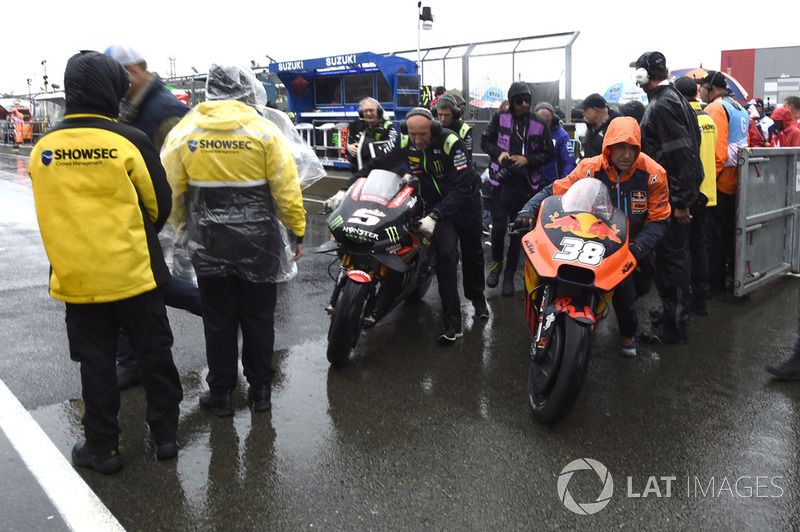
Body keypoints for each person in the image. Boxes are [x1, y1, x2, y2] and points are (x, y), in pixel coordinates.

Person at [28, 51, 183, 473]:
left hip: (78, 278)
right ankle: (165, 435)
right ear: (112, 89)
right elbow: (159, 205)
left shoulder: (43, 149)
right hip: (135, 273)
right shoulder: (128, 140)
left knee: (96, 363)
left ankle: (103, 448)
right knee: (155, 354)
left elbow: (49, 211)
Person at [161, 64, 306, 416]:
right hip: (261, 240)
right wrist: (296, 231)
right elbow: (286, 190)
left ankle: (222, 394)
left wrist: (180, 231)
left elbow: (172, 191)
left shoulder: (186, 132)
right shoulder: (264, 131)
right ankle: (260, 393)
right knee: (259, 317)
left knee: (218, 318)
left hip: (208, 241)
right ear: (247, 91)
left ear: (210, 90)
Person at [513, 117, 671, 356]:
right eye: (620, 146)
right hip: (587, 236)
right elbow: (555, 190)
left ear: (639, 148)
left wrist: (639, 248)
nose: (626, 154)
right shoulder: (589, 167)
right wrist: (529, 208)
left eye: (632, 148)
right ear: (608, 146)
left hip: (631, 246)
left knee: (628, 293)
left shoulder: (654, 174)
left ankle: (627, 334)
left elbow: (660, 218)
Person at [104, 44, 202, 390]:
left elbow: (183, 168)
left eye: (114, 76)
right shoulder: (135, 105)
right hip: (141, 216)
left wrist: (175, 225)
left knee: (140, 286)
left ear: (132, 71)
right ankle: (218, 310)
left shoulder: (164, 110)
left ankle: (218, 310)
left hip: (156, 218)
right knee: (141, 287)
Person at [348, 107, 488, 344]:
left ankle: (478, 300)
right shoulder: (405, 141)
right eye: (413, 134)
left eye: (422, 135)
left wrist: (435, 216)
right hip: (435, 202)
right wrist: (347, 187)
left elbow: (461, 188)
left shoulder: (450, 143)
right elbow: (380, 164)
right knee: (446, 255)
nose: (417, 140)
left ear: (432, 129)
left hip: (465, 203)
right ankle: (453, 324)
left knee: (473, 253)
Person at [631, 51, 704, 345]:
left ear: (645, 74)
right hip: (673, 196)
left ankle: (674, 328)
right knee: (672, 260)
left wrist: (682, 202)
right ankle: (673, 314)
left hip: (672, 199)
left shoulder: (663, 104)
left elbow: (682, 154)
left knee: (672, 263)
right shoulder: (672, 98)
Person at [480, 81, 554, 296]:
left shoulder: (540, 123)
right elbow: (485, 141)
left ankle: (510, 275)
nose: (524, 104)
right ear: (511, 102)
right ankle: (495, 267)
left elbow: (549, 154)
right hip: (501, 182)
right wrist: (499, 154)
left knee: (516, 232)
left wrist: (527, 160)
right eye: (519, 101)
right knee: (499, 229)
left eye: (527, 100)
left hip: (525, 185)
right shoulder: (499, 117)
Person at [698, 70, 750, 301]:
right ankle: (730, 278)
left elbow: (716, 154)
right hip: (737, 181)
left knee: (714, 240)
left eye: (702, 87)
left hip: (718, 184)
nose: (699, 91)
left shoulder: (715, 108)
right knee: (728, 236)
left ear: (711, 88)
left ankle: (715, 285)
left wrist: (707, 182)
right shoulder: (739, 107)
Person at [674, 76, 718, 316]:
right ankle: (701, 299)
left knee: (683, 249)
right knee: (701, 246)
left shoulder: (682, 118)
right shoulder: (708, 118)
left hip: (689, 192)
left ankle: (687, 301)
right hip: (708, 192)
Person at [345, 97, 396, 174]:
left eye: (371, 110)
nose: (368, 113)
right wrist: (348, 147)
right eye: (365, 111)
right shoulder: (356, 126)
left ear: (378, 111)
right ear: (362, 114)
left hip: (381, 172)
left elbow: (393, 149)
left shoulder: (389, 127)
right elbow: (350, 143)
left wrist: (367, 147)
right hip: (359, 172)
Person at [534, 101, 576, 184]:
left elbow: (569, 163)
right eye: (540, 121)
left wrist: (562, 184)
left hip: (552, 185)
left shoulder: (561, 135)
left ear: (552, 119)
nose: (543, 124)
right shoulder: (528, 132)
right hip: (532, 184)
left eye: (546, 121)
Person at [581, 93, 621, 158]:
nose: (584, 114)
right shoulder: (591, 127)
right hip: (590, 167)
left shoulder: (617, 127)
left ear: (595, 110)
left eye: (585, 110)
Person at [436, 94, 473, 162]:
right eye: (440, 114)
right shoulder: (433, 128)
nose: (443, 119)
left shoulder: (464, 129)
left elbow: (468, 157)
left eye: (447, 115)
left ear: (455, 113)